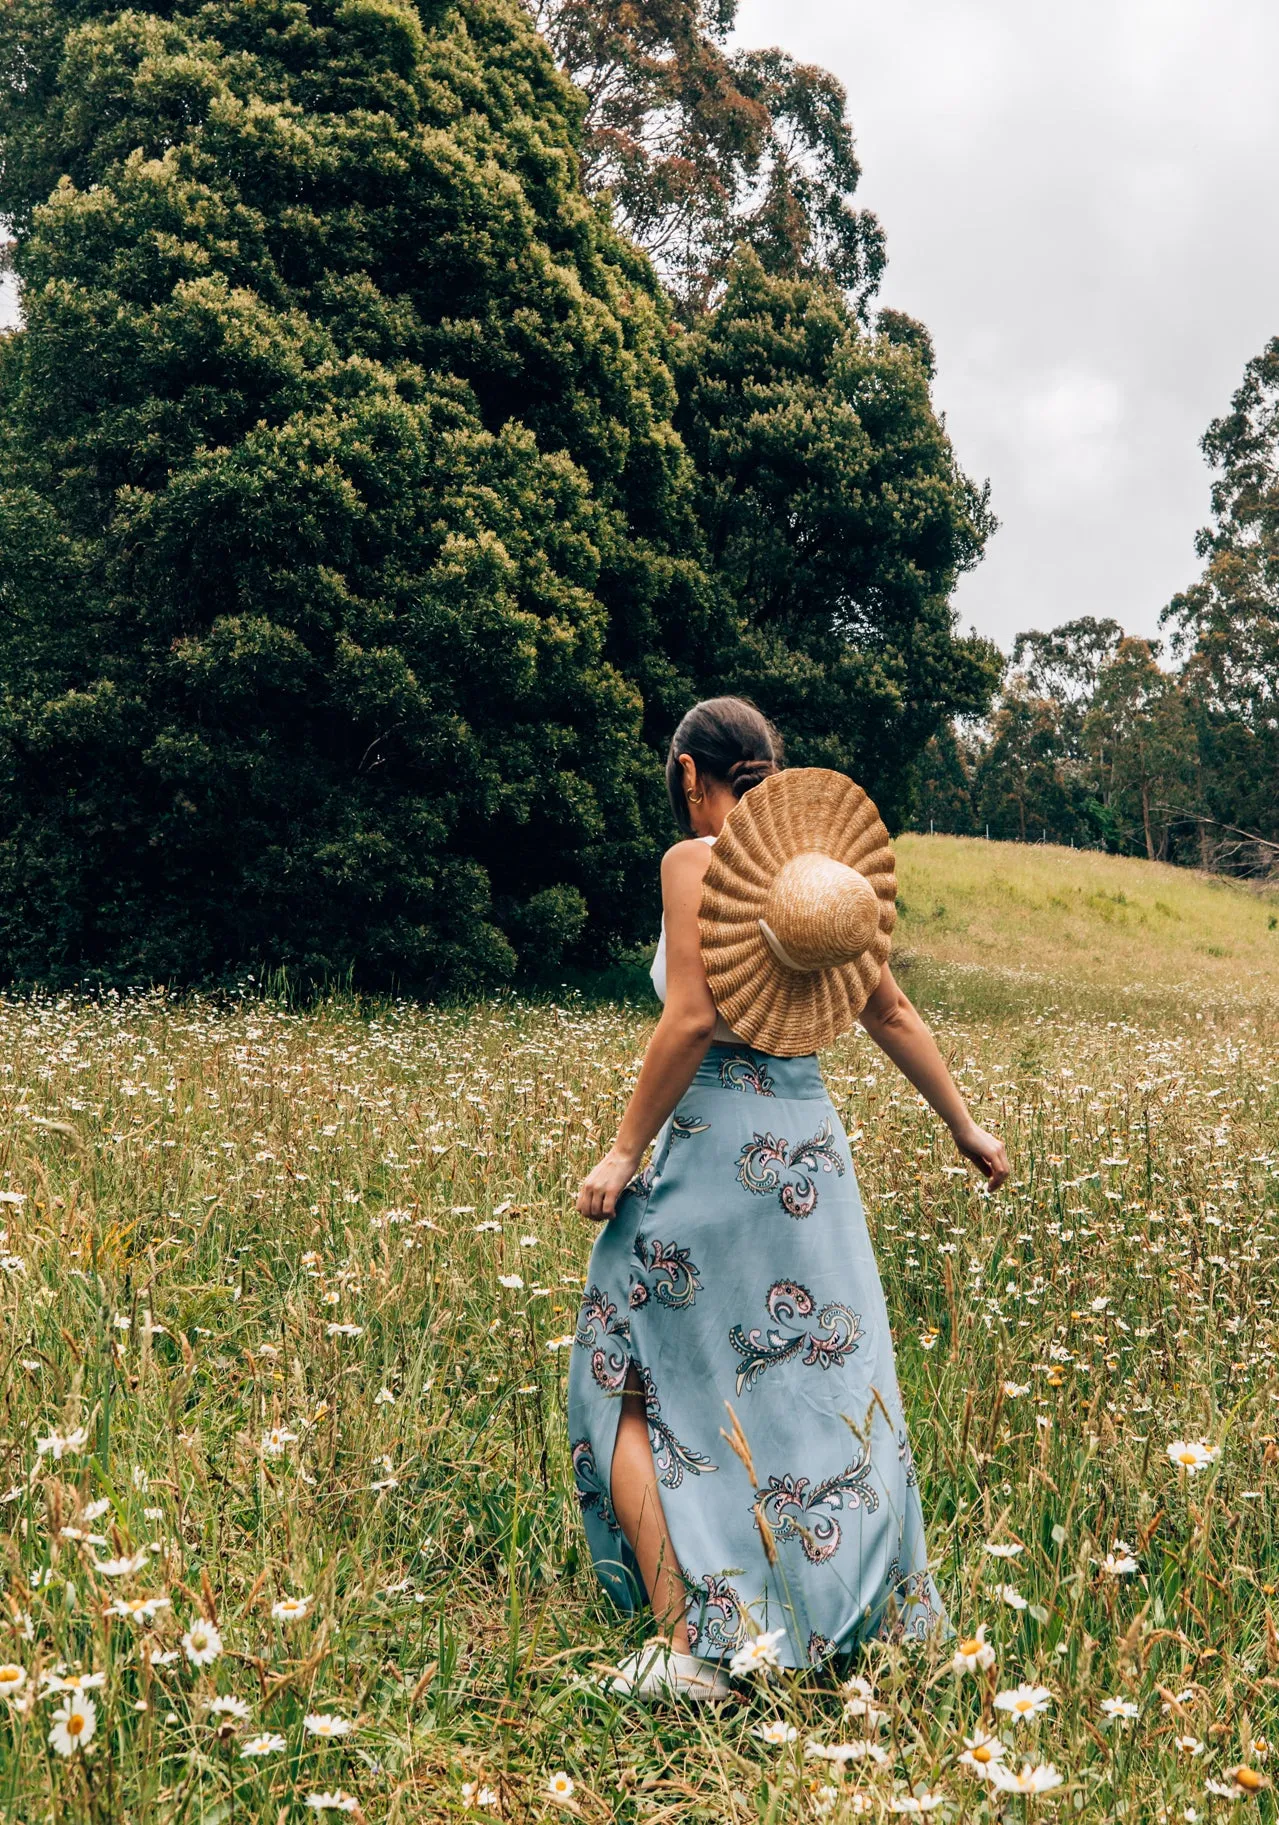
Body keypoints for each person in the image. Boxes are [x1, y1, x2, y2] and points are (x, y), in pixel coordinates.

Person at [568, 697, 1010, 1701]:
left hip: (713, 1152)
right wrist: (964, 1125)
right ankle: (852, 1619)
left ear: (690, 776)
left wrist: (621, 1147)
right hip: (811, 1159)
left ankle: (691, 1645)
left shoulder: (696, 863)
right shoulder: (822, 886)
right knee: (824, 1392)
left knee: (624, 1377)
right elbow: (889, 1009)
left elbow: (689, 1021)